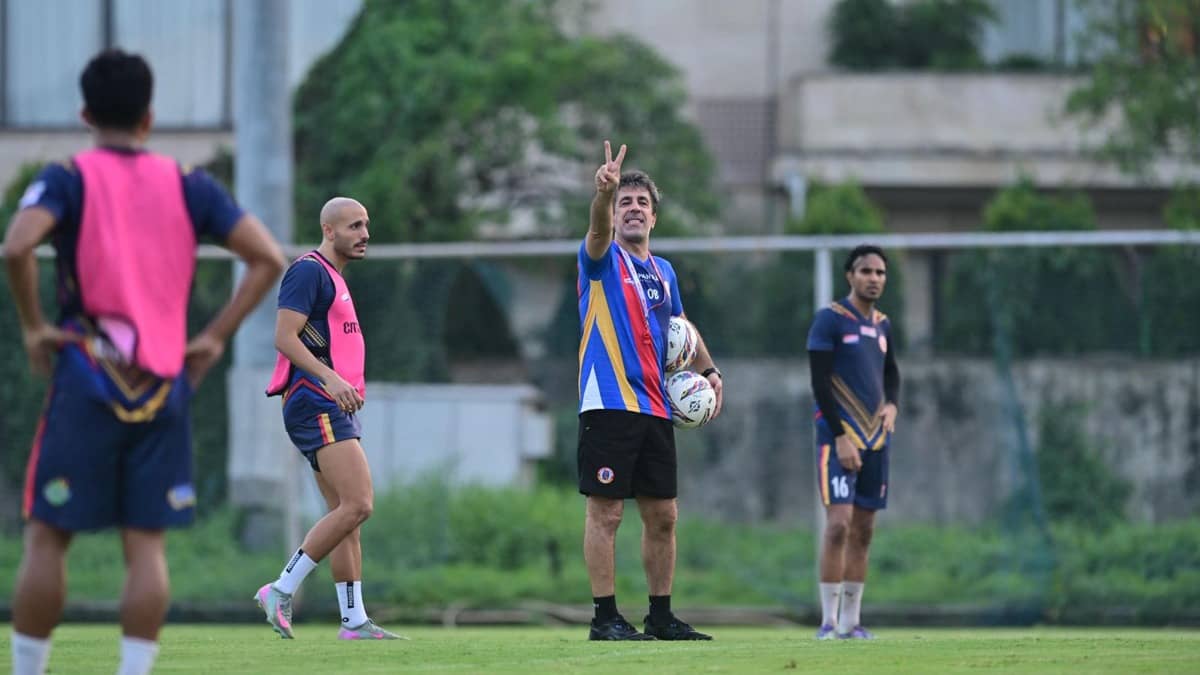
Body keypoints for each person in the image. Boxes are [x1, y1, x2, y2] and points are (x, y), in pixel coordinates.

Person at [3, 49, 286, 675]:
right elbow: (268, 257)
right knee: (146, 546)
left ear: (85, 114)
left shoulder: (68, 177)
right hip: (162, 384)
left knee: (48, 536)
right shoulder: (190, 185)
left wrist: (33, 327)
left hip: (85, 375)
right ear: (149, 117)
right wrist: (212, 337)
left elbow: (17, 246)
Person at [576, 141, 723, 641]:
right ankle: (604, 618)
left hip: (657, 404)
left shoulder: (664, 272)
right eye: (625, 202)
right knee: (607, 511)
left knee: (663, 514)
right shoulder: (600, 257)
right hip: (609, 400)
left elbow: (681, 328)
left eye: (642, 203)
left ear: (654, 217)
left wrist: (709, 370)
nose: (633, 208)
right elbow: (597, 229)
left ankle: (660, 615)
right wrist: (603, 193)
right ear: (615, 214)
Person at [255, 196, 402, 641]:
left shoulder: (333, 277)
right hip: (315, 400)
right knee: (359, 504)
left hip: (332, 403)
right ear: (328, 230)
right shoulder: (308, 271)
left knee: (345, 515)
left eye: (366, 225)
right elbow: (284, 337)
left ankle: (353, 621)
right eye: (354, 226)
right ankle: (280, 589)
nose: (364, 234)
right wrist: (331, 378)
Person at [806, 244, 900, 640]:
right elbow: (820, 383)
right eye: (866, 271)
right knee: (838, 526)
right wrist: (841, 436)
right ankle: (828, 622)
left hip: (876, 441)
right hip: (838, 440)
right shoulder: (830, 319)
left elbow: (891, 373)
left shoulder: (883, 325)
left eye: (880, 272)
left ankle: (851, 623)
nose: (874, 278)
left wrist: (892, 405)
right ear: (850, 276)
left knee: (863, 530)